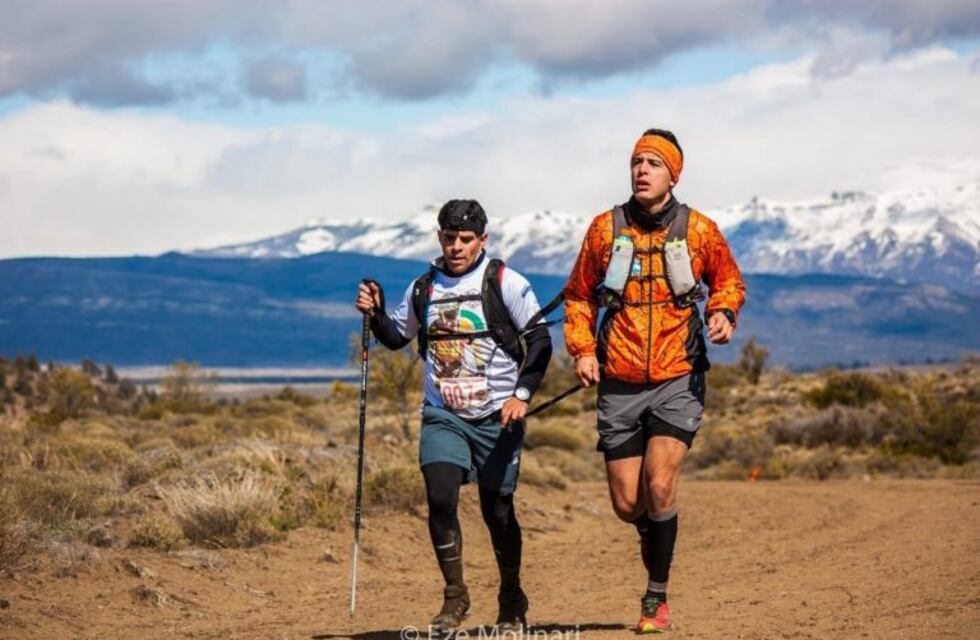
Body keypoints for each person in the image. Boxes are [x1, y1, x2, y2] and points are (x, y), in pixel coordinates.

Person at [564, 129, 746, 633]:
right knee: (628, 504)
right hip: (619, 379)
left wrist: (723, 312)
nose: (642, 170)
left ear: (673, 175)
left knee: (660, 484)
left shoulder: (699, 230)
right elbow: (579, 296)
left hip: (677, 377)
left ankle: (656, 597)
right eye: (636, 162)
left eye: (653, 163)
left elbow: (728, 280)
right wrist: (583, 350)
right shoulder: (604, 230)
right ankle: (655, 532)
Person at [355, 199, 552, 634]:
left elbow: (540, 342)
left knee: (498, 512)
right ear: (439, 237)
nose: (456, 247)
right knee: (440, 497)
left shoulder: (505, 282)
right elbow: (396, 337)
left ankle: (511, 596)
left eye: (466, 239)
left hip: (498, 417)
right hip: (443, 414)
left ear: (483, 240)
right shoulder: (423, 287)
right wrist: (376, 311)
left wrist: (521, 395)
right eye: (449, 238)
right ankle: (454, 596)